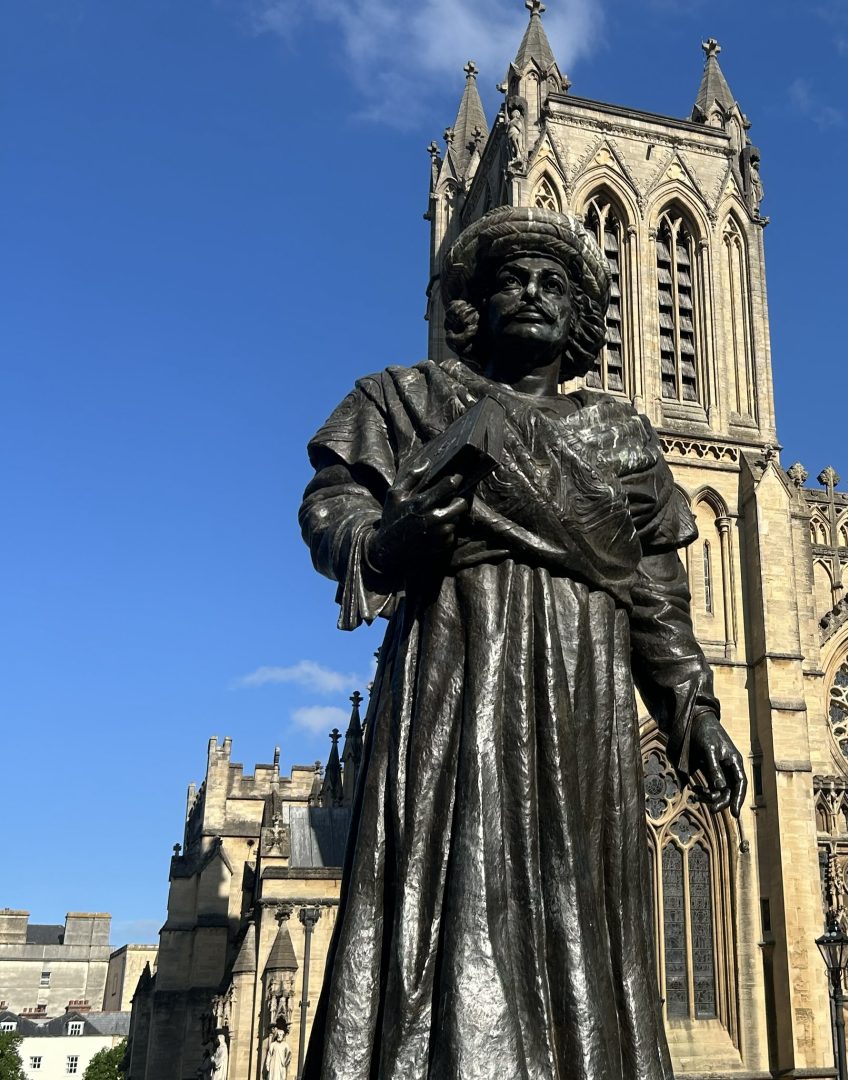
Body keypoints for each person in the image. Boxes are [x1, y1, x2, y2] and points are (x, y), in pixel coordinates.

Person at [299, 205, 746, 1079]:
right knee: (453, 883)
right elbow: (331, 512)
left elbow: (658, 593)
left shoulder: (622, 434)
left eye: (555, 283)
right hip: (458, 671)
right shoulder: (407, 399)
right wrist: (388, 540)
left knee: (580, 906)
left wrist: (695, 712)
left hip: (584, 691)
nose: (533, 295)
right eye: (512, 278)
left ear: (582, 313)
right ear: (474, 302)